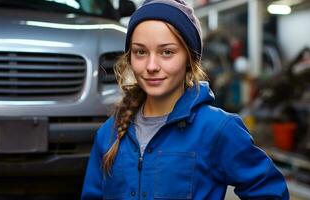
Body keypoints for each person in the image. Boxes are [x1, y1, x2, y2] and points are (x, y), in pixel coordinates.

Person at [81, 0, 289, 199]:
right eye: (141, 52)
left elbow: (269, 192)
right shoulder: (109, 133)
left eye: (167, 52)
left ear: (189, 60)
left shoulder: (217, 129)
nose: (151, 66)